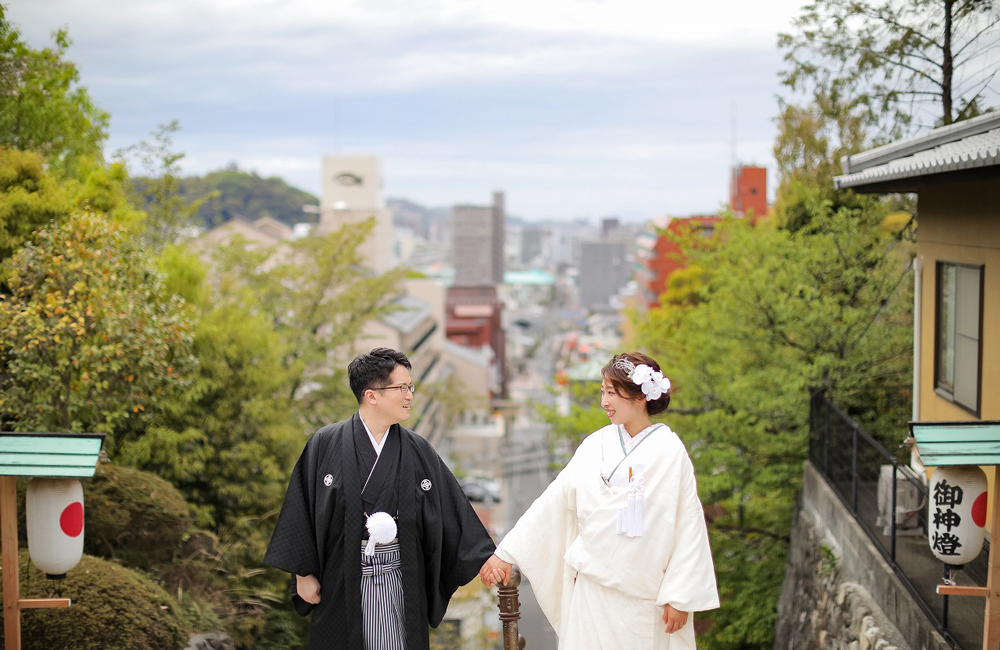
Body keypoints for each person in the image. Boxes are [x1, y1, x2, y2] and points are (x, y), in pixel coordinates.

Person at [480, 352, 719, 650]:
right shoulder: (597, 444)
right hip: (591, 594)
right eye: (602, 392)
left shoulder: (669, 451)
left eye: (611, 393)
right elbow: (554, 501)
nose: (604, 402)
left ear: (640, 397)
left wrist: (681, 595)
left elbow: (688, 524)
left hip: (645, 600)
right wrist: (507, 552)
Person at [265, 347, 496, 650]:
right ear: (371, 395)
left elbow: (452, 510)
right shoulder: (326, 444)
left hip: (401, 577)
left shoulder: (417, 450)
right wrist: (303, 573)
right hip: (342, 579)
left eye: (410, 387)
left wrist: (486, 558)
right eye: (401, 388)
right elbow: (302, 509)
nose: (409, 395)